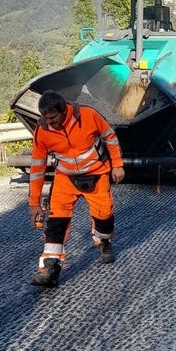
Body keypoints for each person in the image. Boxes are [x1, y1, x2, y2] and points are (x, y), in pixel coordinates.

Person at [27, 90, 125, 288]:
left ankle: (104, 242)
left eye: (53, 118)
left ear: (65, 111)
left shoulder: (88, 116)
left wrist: (117, 165)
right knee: (56, 222)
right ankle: (50, 269)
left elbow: (110, 137)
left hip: (97, 174)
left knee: (104, 216)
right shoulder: (42, 130)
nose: (50, 123)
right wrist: (34, 203)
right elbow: (37, 167)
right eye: (45, 118)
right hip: (65, 178)